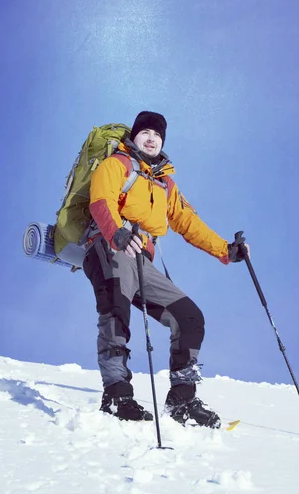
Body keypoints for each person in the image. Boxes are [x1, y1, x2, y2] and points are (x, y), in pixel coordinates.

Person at [83, 111, 249, 428]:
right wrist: (116, 232)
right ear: (134, 136)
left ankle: (182, 400)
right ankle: (117, 394)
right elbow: (100, 201)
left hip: (141, 259)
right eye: (145, 132)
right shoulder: (116, 164)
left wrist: (226, 250)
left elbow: (188, 223)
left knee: (189, 317)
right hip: (107, 245)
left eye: (157, 135)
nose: (151, 138)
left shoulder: (164, 183)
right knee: (115, 308)